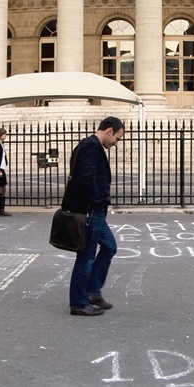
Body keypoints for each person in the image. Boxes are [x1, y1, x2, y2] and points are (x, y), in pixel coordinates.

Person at [65, 116, 125, 316]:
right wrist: (98, 201)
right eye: (117, 138)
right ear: (109, 130)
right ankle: (78, 303)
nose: (116, 143)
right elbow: (86, 178)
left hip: (94, 210)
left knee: (109, 247)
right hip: (90, 210)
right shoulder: (91, 146)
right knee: (86, 256)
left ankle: (92, 292)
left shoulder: (91, 145)